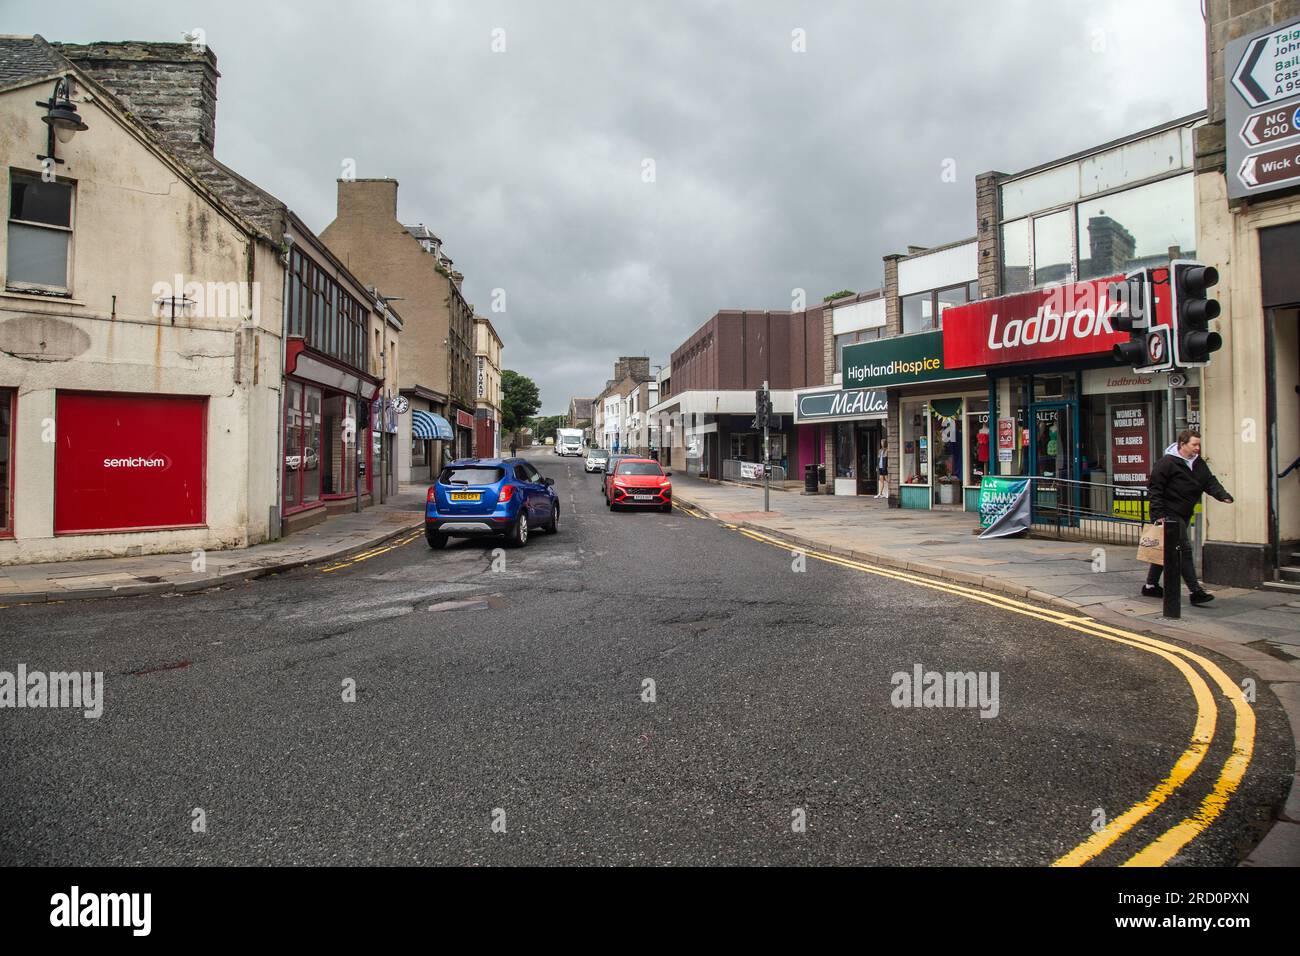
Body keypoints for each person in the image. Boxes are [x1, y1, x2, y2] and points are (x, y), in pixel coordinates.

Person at [1142, 430, 1233, 606]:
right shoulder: (1166, 463)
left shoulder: (1198, 463)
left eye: (1199, 445)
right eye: (1194, 445)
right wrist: (1159, 515)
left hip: (1184, 513)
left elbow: (1209, 481)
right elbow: (1155, 490)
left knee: (1165, 550)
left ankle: (1150, 586)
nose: (1197, 448)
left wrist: (1222, 495)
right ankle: (1195, 591)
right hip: (1169, 514)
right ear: (1182, 444)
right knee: (1184, 550)